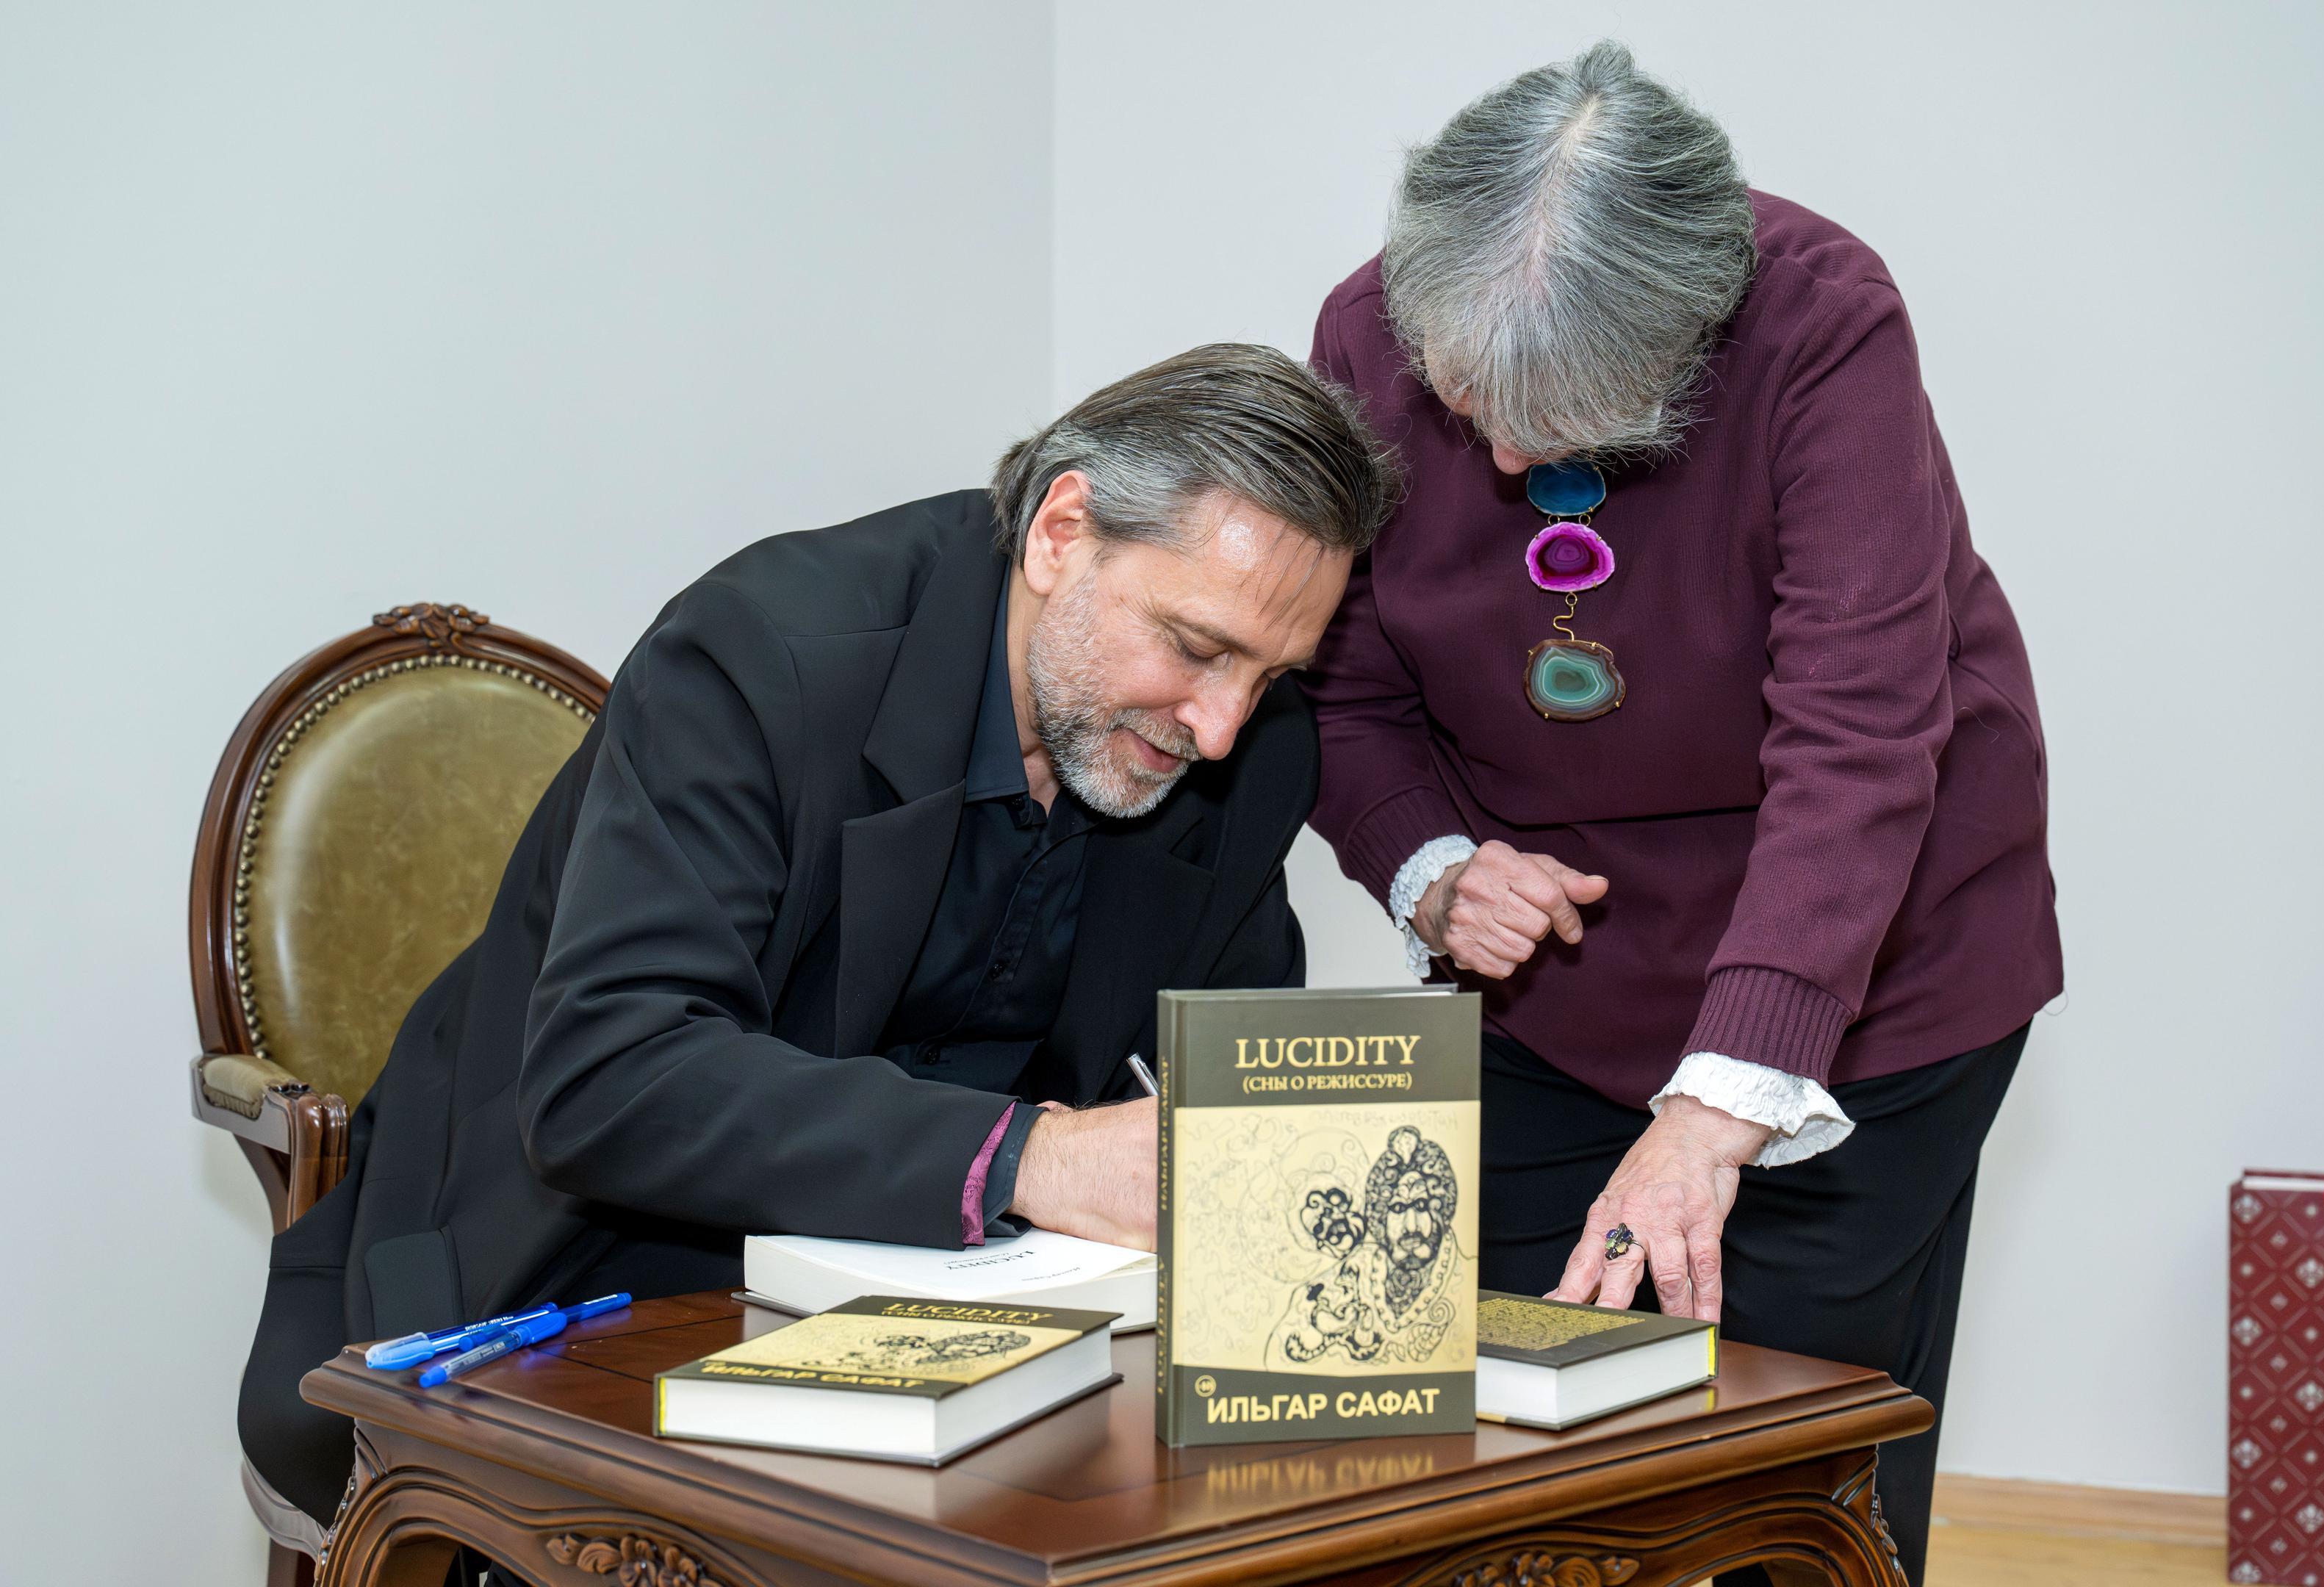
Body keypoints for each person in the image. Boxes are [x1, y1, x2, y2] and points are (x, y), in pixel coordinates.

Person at [239, 342, 1401, 1528]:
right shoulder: (761, 657)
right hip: (598, 1265)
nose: (1222, 726)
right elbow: (612, 1079)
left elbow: (1222, 1099)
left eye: (1270, 675)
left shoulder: (1249, 753)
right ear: (1061, 533)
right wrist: (1036, 1159)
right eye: (1197, 648)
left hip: (976, 1317)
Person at [1300, 44, 2059, 1586]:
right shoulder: (1363, 335)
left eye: (1564, 420)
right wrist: (1431, 870)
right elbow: (1341, 688)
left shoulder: (1822, 321)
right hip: (1557, 991)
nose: (1505, 458)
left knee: (1792, 1467)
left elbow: (1860, 734)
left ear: (1686, 340)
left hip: (1866, 980)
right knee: (1490, 1455)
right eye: (1471, 405)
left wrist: (1719, 1112)